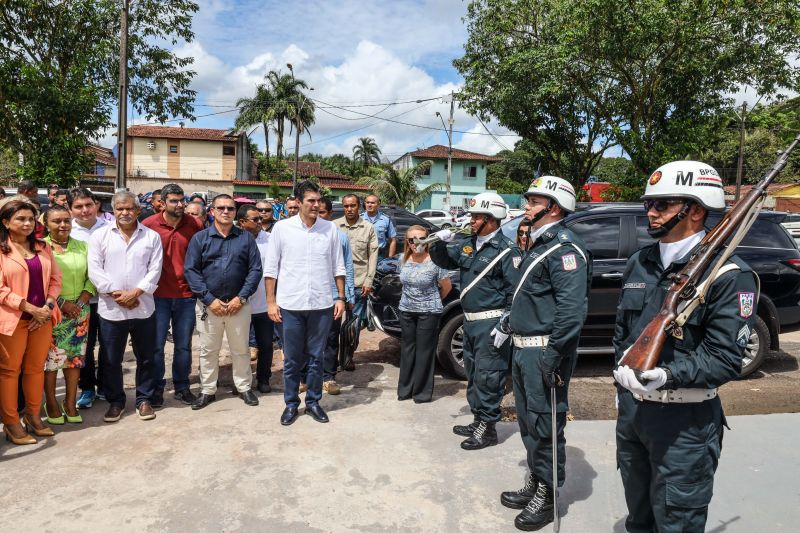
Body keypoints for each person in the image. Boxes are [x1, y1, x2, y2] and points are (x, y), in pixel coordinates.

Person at [612, 161, 758, 533]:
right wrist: (622, 384)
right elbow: (622, 334)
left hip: (685, 425)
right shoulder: (640, 263)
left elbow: (726, 358)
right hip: (634, 417)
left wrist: (666, 375)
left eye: (663, 205)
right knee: (639, 516)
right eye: (649, 203)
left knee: (677, 521)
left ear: (695, 210)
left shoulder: (728, 275)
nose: (650, 212)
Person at [499, 176, 590, 530]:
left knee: (545, 423)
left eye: (533, 201)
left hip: (543, 353)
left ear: (553, 207)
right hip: (523, 351)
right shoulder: (539, 246)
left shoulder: (566, 249)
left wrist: (553, 357)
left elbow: (570, 313)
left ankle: (548, 494)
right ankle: (537, 480)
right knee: (528, 421)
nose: (526, 207)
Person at [429, 192, 520, 450]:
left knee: (490, 375)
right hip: (469, 322)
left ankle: (488, 428)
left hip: (491, 324)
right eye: (472, 215)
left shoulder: (506, 251)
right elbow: (446, 259)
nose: (472, 220)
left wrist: (506, 324)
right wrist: (438, 241)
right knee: (473, 373)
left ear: (492, 219)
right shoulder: (469, 243)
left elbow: (515, 292)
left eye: (478, 216)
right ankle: (478, 418)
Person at [264, 180, 345, 426]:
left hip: (321, 304)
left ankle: (313, 402)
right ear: (298, 202)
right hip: (291, 305)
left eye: (318, 200)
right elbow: (271, 268)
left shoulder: (329, 229)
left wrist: (340, 297)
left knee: (316, 357)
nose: (316, 205)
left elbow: (338, 266)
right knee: (292, 359)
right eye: (311, 200)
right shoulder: (282, 228)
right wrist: (271, 301)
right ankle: (291, 404)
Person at [88, 191, 163, 423]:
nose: (125, 213)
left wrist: (136, 292)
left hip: (143, 307)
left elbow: (155, 269)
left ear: (138, 210)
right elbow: (94, 270)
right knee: (111, 359)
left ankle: (144, 399)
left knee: (147, 357)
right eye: (120, 209)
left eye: (130, 208)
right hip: (112, 309)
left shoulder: (151, 237)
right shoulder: (100, 236)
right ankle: (116, 401)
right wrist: (118, 294)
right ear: (113, 211)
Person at [184, 194, 263, 410]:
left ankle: (244, 387)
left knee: (241, 349)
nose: (226, 211)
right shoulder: (200, 239)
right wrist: (209, 300)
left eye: (230, 208)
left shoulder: (245, 238)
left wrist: (241, 297)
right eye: (221, 208)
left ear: (235, 212)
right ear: (212, 211)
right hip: (209, 306)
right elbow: (191, 271)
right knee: (208, 351)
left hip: (239, 304)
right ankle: (208, 390)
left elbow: (255, 270)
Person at [0, 199, 62, 445]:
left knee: (35, 369)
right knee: (9, 372)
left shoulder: (42, 247)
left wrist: (46, 308)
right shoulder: (2, 250)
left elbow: (56, 280)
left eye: (31, 218)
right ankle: (12, 423)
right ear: (6, 222)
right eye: (20, 219)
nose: (27, 223)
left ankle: (34, 417)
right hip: (13, 320)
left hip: (42, 320)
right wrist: (28, 307)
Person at [143, 183, 202, 407]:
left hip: (186, 295)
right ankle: (157, 388)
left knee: (183, 344)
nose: (179, 205)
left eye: (181, 200)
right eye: (174, 201)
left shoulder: (194, 224)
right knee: (156, 346)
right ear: (163, 202)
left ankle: (182, 386)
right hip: (157, 295)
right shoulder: (149, 225)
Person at [42, 205, 95, 425]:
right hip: (52, 311)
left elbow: (94, 274)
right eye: (56, 221)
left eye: (66, 220)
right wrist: (62, 303)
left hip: (80, 313)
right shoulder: (41, 248)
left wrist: (83, 299)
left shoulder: (83, 246)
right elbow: (39, 281)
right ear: (46, 224)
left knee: (75, 360)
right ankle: (52, 403)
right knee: (51, 361)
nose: (63, 225)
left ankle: (70, 402)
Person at [397, 225, 451, 403]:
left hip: (428, 312)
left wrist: (431, 301)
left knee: (424, 353)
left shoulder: (436, 261)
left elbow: (446, 287)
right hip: (406, 311)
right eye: (412, 239)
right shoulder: (403, 259)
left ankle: (421, 393)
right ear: (407, 241)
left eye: (420, 238)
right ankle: (405, 390)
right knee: (407, 351)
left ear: (427, 240)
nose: (416, 243)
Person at [307, 197, 355, 395]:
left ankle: (329, 377)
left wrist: (347, 296)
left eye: (323, 213)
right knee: (306, 339)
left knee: (330, 339)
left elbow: (346, 268)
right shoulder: (304, 234)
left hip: (333, 297)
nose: (319, 216)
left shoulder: (339, 236)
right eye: (316, 213)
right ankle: (305, 377)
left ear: (330, 215)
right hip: (308, 297)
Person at [68, 187, 108, 409]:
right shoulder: (67, 231)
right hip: (80, 302)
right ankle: (87, 389)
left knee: (109, 345)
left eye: (88, 205)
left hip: (109, 299)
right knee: (84, 346)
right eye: (78, 206)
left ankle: (105, 386)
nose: (85, 210)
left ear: (96, 205)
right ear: (70, 209)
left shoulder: (110, 227)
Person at [236, 204, 274, 394]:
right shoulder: (234, 239)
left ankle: (264, 378)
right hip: (239, 304)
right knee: (240, 346)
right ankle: (242, 382)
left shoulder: (270, 240)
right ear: (242, 223)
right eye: (256, 219)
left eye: (261, 218)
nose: (261, 222)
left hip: (264, 303)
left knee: (266, 345)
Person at [334, 193, 378, 346]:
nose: (349, 209)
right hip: (336, 284)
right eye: (346, 206)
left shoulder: (368, 228)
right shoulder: (333, 226)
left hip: (359, 283)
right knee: (333, 324)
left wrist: (369, 280)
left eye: (353, 205)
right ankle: (332, 359)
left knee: (354, 324)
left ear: (359, 207)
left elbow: (373, 256)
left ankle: (348, 356)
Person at [362, 194, 397, 259]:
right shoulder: (359, 219)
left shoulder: (386, 220)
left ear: (378, 205)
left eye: (372, 203)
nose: (369, 205)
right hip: (362, 255)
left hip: (380, 256)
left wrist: (390, 259)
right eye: (367, 202)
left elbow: (392, 240)